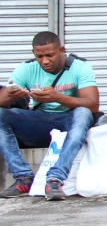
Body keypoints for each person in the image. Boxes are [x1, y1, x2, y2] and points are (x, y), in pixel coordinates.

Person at [0, 31, 99, 200]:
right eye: (39, 56)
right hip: (39, 121)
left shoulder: (80, 66)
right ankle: (23, 177)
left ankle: (55, 179)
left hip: (69, 122)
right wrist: (10, 96)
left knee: (83, 113)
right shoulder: (27, 68)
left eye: (50, 55)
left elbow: (93, 104)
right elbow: (2, 100)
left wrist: (58, 97)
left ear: (61, 50)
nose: (44, 61)